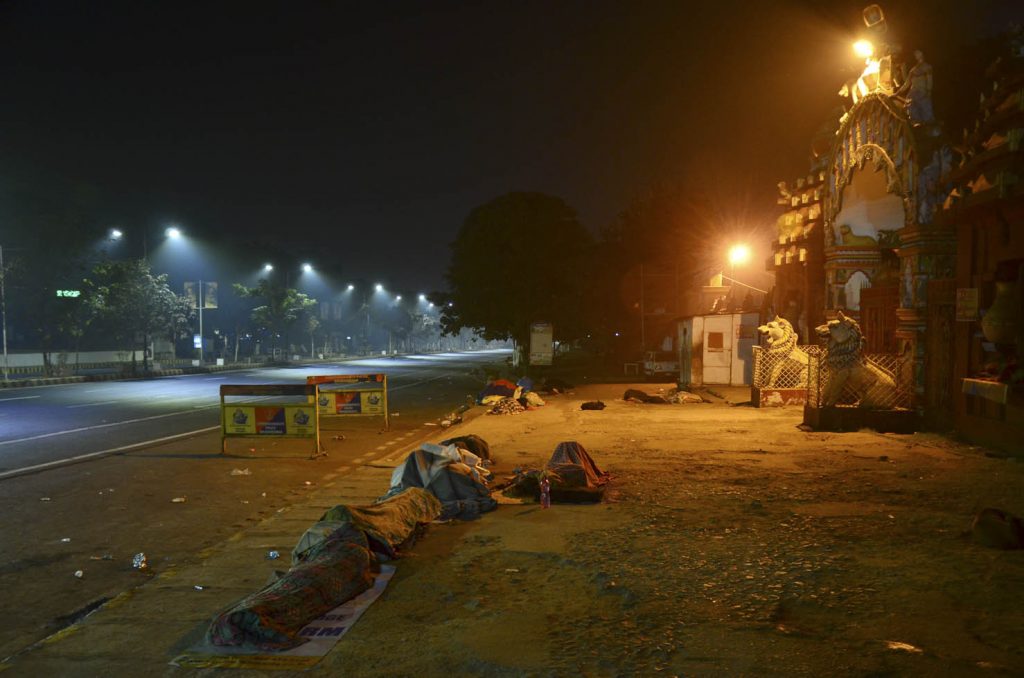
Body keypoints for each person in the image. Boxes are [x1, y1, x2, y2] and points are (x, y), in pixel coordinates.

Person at [900, 50, 934, 124]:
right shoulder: (913, 69)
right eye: (915, 53)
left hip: (922, 93)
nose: (915, 54)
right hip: (913, 94)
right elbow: (907, 83)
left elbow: (929, 80)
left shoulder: (927, 67)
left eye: (918, 52)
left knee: (926, 114)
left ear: (922, 53)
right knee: (912, 113)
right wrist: (897, 93)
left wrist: (928, 91)